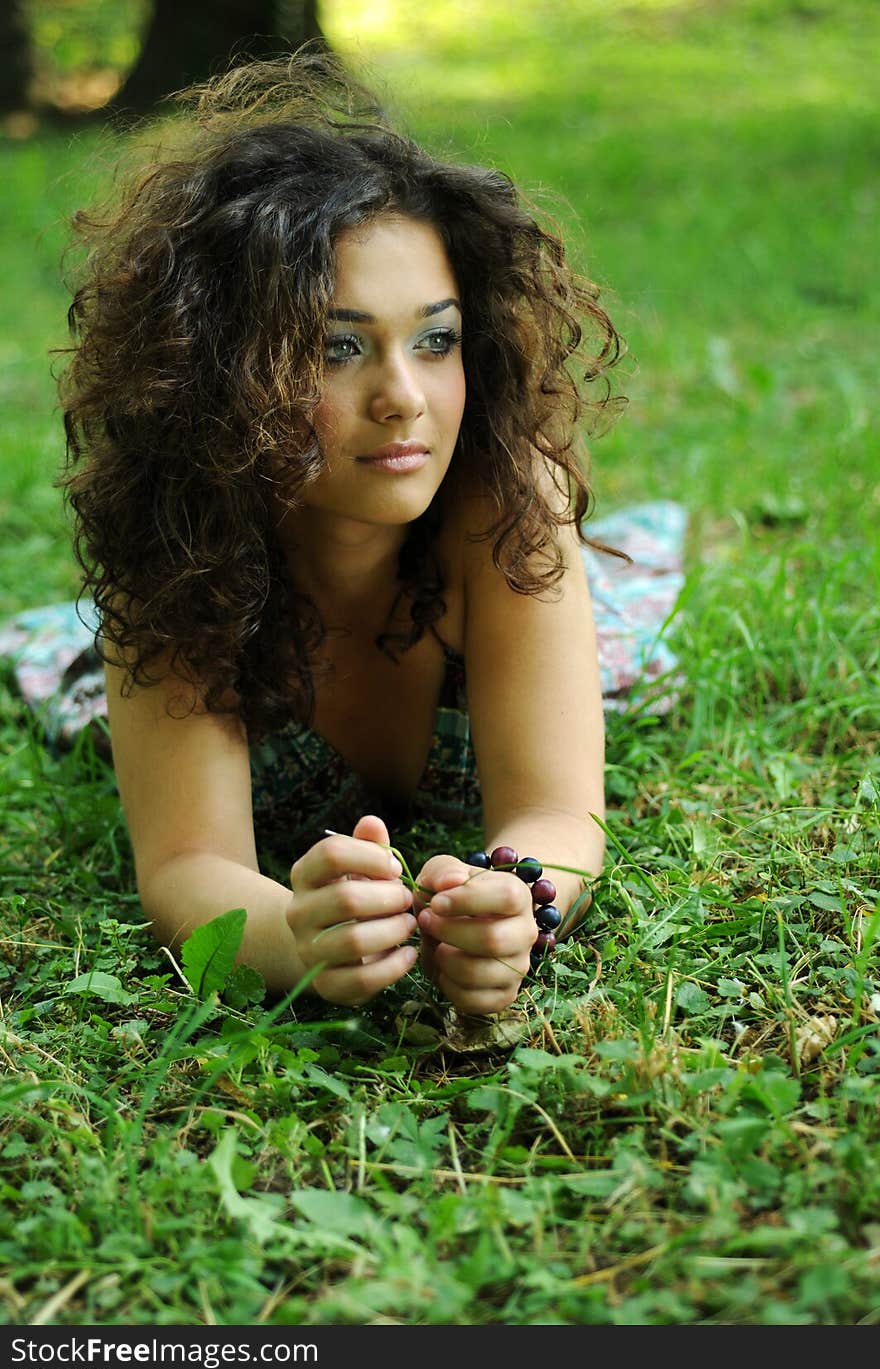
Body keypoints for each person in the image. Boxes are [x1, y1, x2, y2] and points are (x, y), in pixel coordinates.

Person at [37, 48, 674, 1016]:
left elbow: (553, 810)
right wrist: (297, 942)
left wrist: (522, 898)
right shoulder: (175, 544)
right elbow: (187, 866)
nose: (403, 400)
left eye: (435, 339)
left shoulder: (503, 500)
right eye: (337, 349)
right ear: (220, 369)